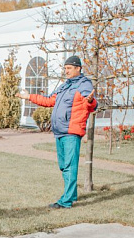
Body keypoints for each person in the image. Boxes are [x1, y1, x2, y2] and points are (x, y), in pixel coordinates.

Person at [17, 55, 97, 209]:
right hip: (60, 131)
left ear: (78, 68)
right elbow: (49, 100)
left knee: (69, 165)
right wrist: (29, 97)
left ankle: (66, 201)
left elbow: (92, 105)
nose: (66, 71)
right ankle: (72, 195)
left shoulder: (83, 84)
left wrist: (90, 101)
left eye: (69, 68)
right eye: (65, 68)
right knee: (63, 165)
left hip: (71, 131)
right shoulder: (65, 85)